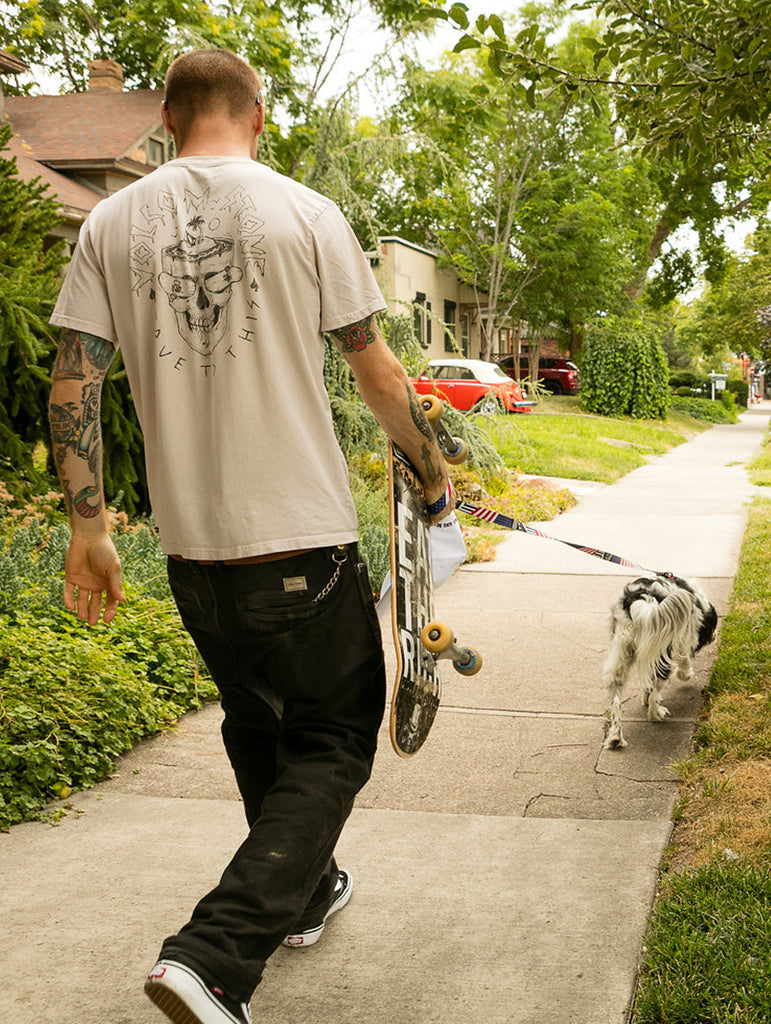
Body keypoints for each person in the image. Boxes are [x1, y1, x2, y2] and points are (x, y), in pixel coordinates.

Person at [48, 48, 454, 1024]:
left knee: (255, 721)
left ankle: (304, 891)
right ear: (256, 116)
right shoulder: (303, 212)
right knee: (331, 739)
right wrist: (433, 473)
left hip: (195, 554)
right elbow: (378, 371)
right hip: (301, 542)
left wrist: (89, 529)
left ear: (167, 119)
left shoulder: (109, 221)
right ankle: (215, 957)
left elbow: (73, 380)